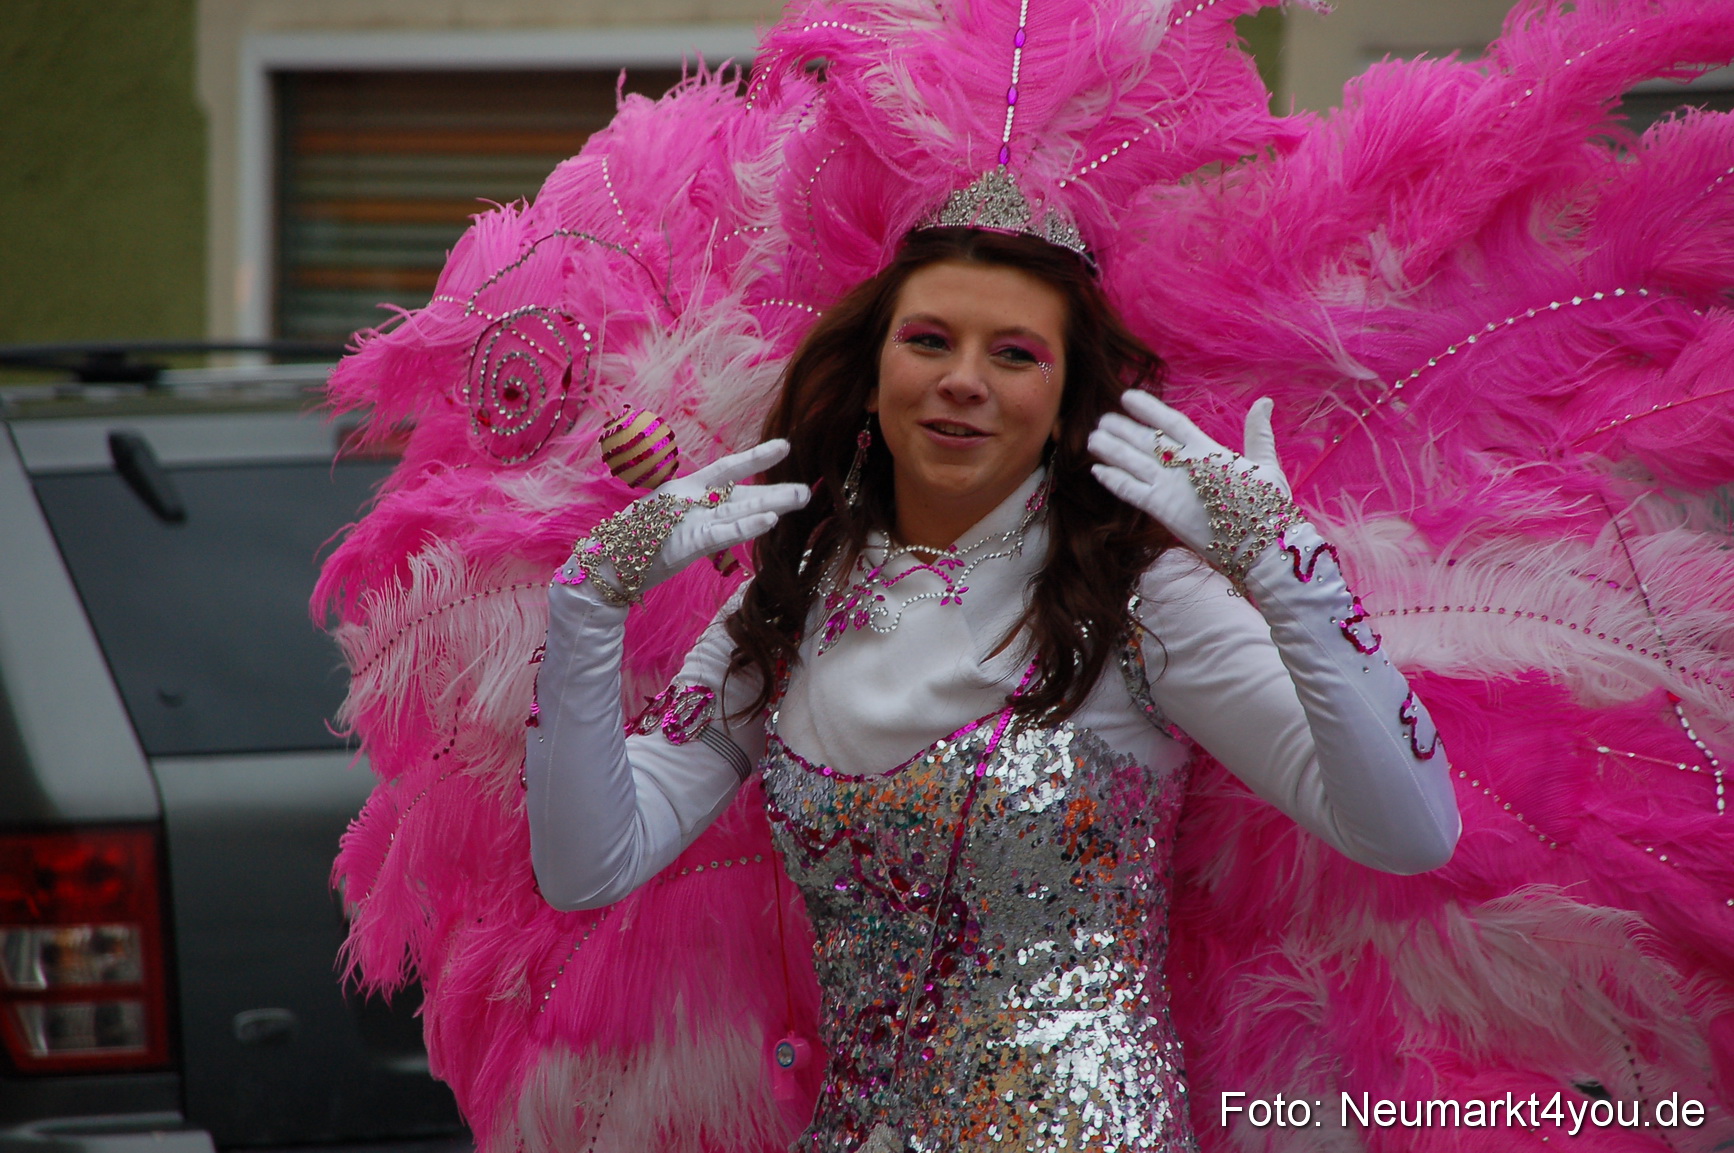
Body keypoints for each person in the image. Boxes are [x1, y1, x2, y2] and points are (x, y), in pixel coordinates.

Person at [525, 223, 1462, 1152]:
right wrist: (591, 603)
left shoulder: (1138, 599)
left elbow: (1410, 829)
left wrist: (1288, 570)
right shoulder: (790, 603)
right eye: (928, 340)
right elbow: (589, 866)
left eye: (1013, 354)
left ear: (1063, 404)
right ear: (875, 371)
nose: (963, 379)